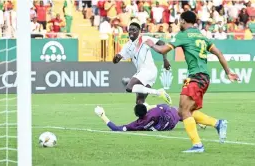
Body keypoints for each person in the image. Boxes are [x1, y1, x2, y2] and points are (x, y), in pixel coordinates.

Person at [145, 11, 239, 153]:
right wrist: (228, 72)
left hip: (196, 77)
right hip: (203, 77)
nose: (178, 23)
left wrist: (151, 44)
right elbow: (219, 53)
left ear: (183, 21)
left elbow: (163, 49)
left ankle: (198, 145)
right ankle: (217, 123)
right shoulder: (201, 36)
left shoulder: (184, 35)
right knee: (186, 111)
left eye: (179, 20)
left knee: (184, 111)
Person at [112, 18, 172, 106]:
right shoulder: (127, 46)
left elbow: (162, 43)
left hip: (147, 70)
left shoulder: (144, 38)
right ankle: (159, 110)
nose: (131, 32)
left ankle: (159, 92)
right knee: (140, 103)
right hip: (146, 73)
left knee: (129, 87)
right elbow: (115, 61)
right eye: (130, 30)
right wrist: (116, 58)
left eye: (134, 30)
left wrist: (165, 59)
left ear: (139, 31)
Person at [94, 104, 227, 141]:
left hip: (165, 128)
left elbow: (116, 129)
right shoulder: (155, 111)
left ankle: (197, 122)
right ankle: (201, 122)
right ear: (146, 110)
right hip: (173, 119)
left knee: (177, 112)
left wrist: (103, 116)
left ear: (137, 115)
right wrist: (151, 105)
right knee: (180, 110)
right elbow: (164, 106)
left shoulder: (137, 124)